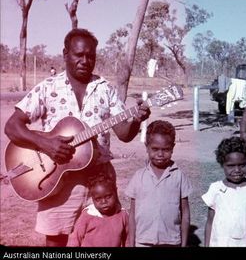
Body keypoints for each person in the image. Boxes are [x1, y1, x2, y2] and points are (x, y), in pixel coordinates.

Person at [4, 28, 150, 246]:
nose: (85, 60)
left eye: (90, 56)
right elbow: (12, 127)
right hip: (57, 178)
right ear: (65, 54)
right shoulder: (47, 87)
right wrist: (45, 143)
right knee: (57, 241)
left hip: (101, 182)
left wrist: (137, 119)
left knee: (104, 239)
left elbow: (124, 134)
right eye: (78, 55)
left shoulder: (105, 89)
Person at [125, 120, 193, 247]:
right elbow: (132, 214)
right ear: (147, 147)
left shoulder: (179, 176)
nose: (160, 154)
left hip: (171, 241)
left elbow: (185, 214)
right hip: (142, 242)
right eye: (155, 149)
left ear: (172, 148)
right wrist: (131, 243)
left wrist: (183, 244)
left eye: (166, 149)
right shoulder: (138, 177)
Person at [202, 136, 246, 247]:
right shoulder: (215, 188)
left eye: (242, 165)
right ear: (222, 165)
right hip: (219, 243)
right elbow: (210, 221)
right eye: (231, 166)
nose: (237, 170)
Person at [67, 173, 129, 247]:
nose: (103, 202)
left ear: (115, 191)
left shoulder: (122, 214)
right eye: (98, 199)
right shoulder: (87, 216)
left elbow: (128, 238)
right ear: (92, 198)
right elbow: (75, 239)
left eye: (108, 196)